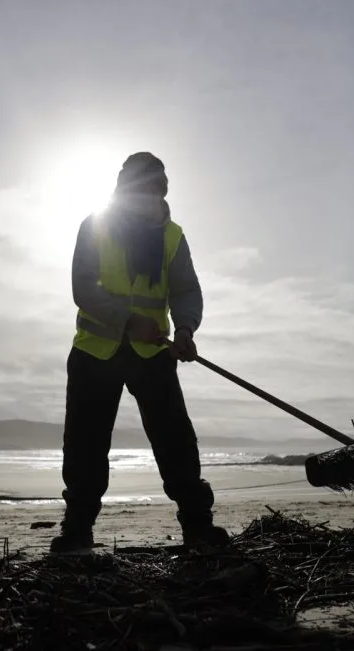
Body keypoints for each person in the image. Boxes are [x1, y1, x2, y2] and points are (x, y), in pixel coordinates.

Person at [51, 151, 231, 555]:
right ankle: (77, 530)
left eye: (153, 189)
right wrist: (129, 320)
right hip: (95, 352)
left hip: (154, 355)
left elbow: (186, 290)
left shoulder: (172, 236)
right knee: (84, 444)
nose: (145, 196)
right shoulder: (94, 225)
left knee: (176, 440)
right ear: (122, 189)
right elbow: (84, 287)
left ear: (161, 193)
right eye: (138, 188)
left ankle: (198, 526)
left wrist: (184, 329)